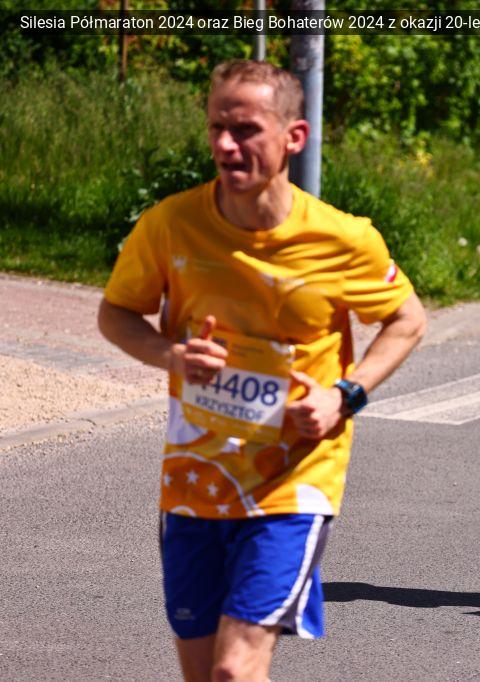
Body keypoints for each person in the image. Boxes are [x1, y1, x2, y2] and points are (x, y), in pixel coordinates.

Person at [97, 60, 427, 680]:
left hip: (293, 481)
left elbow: (407, 319)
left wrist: (345, 396)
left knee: (233, 669)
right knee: (204, 675)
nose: (226, 145)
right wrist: (170, 355)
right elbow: (116, 313)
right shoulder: (171, 224)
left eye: (245, 129)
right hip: (195, 478)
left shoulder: (344, 240)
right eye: (216, 128)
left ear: (293, 137)